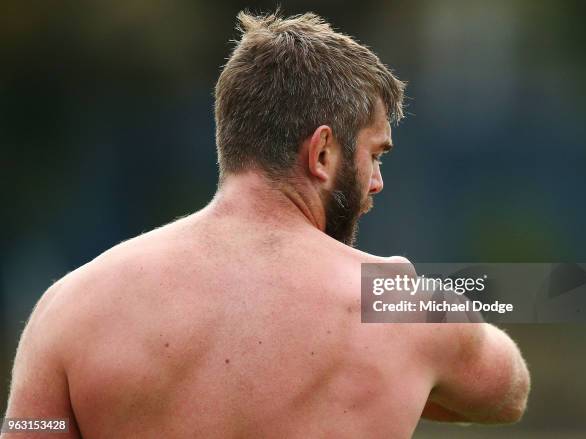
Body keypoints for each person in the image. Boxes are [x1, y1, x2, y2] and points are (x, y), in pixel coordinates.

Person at [2, 11, 530, 438]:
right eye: (375, 155)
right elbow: (508, 393)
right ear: (322, 153)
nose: (377, 182)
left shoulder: (73, 305)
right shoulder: (397, 305)